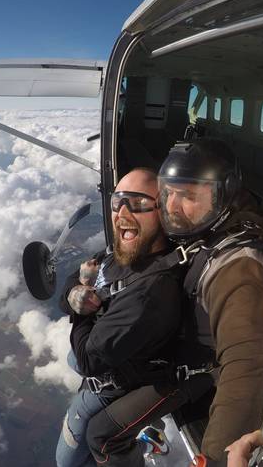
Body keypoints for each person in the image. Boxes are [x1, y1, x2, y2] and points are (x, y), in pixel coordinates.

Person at [156, 139, 263, 465]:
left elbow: (247, 360)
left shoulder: (236, 262)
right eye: (170, 193)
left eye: (189, 196)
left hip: (194, 373)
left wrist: (217, 457)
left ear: (223, 196)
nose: (172, 207)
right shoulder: (204, 227)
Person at [55, 168, 184, 467]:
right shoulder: (119, 254)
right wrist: (76, 295)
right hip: (105, 357)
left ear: (164, 211)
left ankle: (137, 444)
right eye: (118, 202)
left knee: (67, 461)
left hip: (109, 386)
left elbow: (89, 361)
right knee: (70, 361)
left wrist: (82, 299)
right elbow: (68, 295)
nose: (122, 212)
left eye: (137, 203)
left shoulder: (150, 293)